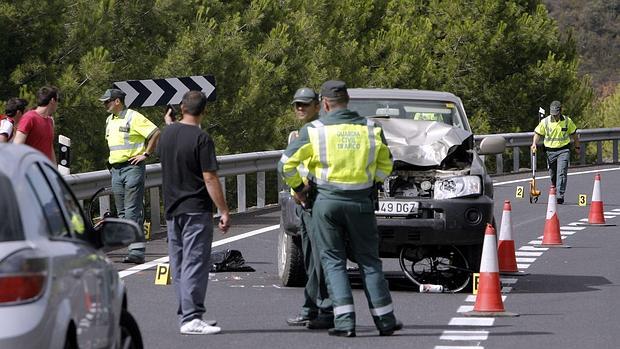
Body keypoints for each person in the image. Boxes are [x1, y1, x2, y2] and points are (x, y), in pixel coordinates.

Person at [278, 80, 402, 337]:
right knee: (369, 261)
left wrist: (299, 189)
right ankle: (385, 320)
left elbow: (286, 164)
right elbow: (387, 165)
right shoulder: (371, 129)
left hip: (326, 202)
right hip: (361, 202)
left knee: (333, 262)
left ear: (324, 104)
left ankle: (345, 323)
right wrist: (372, 183)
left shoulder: (315, 130)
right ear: (347, 102)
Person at [156, 90, 231, 335]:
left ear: (181, 108)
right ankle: (190, 317)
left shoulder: (166, 134)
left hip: (172, 209)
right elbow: (209, 177)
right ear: (204, 111)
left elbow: (174, 139)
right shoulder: (202, 138)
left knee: (178, 264)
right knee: (195, 264)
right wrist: (223, 210)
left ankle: (189, 314)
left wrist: (169, 122)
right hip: (196, 210)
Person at [285, 87, 334, 329]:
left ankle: (321, 309)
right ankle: (312, 307)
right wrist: (297, 190)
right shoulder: (302, 132)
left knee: (318, 259)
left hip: (314, 201)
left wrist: (300, 190)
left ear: (318, 105)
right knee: (310, 259)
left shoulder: (319, 130)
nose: (300, 109)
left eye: (305, 104)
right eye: (297, 105)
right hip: (305, 202)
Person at [100, 88, 161, 264]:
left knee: (132, 210)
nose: (105, 105)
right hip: (116, 170)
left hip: (132, 168)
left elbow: (155, 132)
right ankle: (132, 248)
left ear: (117, 101)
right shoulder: (109, 120)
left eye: (107, 101)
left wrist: (146, 154)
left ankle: (136, 252)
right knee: (122, 213)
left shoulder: (133, 116)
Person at [531, 100, 580, 204]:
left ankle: (560, 195)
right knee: (553, 174)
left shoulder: (567, 121)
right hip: (550, 152)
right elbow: (537, 134)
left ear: (560, 111)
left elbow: (575, 135)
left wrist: (577, 147)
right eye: (553, 114)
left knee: (561, 172)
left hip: (563, 150)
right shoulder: (545, 122)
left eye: (556, 114)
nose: (554, 116)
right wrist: (534, 144)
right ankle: (554, 188)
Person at [14, 87, 58, 162]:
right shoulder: (29, 118)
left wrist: (54, 170)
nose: (58, 104)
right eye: (58, 100)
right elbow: (16, 147)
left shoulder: (50, 121)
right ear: (52, 101)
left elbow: (50, 148)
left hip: (44, 170)